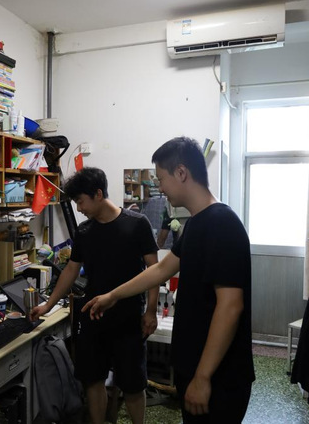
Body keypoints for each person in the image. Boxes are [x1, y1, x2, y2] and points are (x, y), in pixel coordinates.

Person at [83, 137, 255, 423]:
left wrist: (203, 377)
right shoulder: (197, 223)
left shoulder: (222, 224)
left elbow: (230, 306)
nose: (160, 188)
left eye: (161, 178)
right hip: (196, 367)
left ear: (181, 173)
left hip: (219, 377)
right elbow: (162, 270)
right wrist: (113, 296)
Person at [30, 167, 159, 424]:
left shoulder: (137, 224)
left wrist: (151, 311)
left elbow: (155, 270)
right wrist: (47, 305)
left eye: (81, 201)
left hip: (128, 317)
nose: (79, 209)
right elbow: (70, 270)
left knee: (133, 384)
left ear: (98, 194)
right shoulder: (84, 231)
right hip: (93, 316)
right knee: (92, 379)